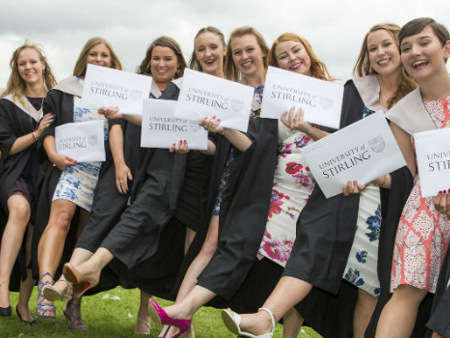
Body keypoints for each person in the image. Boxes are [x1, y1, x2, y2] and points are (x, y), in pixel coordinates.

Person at [221, 23, 417, 338]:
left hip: (383, 205)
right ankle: (266, 317)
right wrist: (308, 129)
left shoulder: (417, 102)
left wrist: (374, 178)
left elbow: (409, 174)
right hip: (342, 192)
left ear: (400, 48)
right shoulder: (355, 92)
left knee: (367, 287)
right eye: (372, 48)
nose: (380, 53)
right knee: (311, 249)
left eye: (386, 45)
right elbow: (338, 142)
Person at [149, 26, 278, 338]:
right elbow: (223, 144)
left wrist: (222, 132)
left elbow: (255, 148)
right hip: (230, 176)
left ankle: (179, 320)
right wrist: (192, 139)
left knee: (233, 249)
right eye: (238, 52)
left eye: (249, 49)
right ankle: (177, 326)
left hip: (267, 183)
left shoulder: (278, 94)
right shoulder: (235, 92)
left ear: (263, 50)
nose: (244, 57)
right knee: (206, 245)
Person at [32, 37, 122, 320]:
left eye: (104, 55)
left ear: (112, 60)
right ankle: (45, 284)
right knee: (60, 218)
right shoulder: (64, 90)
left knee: (87, 236)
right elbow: (49, 129)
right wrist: (55, 156)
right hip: (71, 166)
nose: (98, 59)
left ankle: (73, 299)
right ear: (84, 58)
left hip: (103, 172)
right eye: (93, 54)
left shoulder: (119, 93)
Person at [375, 17, 450, 337]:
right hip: (428, 206)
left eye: (423, 42)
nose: (414, 52)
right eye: (406, 47)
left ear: (446, 49)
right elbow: (411, 175)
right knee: (407, 287)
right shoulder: (401, 114)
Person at [0, 43, 56, 324]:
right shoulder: (8, 102)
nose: (29, 67)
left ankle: (24, 303)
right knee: (19, 211)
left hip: (46, 176)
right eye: (23, 63)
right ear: (17, 69)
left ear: (43, 64)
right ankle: (1, 288)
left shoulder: (57, 99)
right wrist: (37, 133)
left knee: (36, 242)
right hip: (16, 173)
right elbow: (8, 147)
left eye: (33, 62)